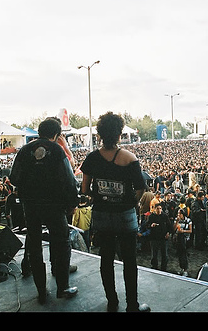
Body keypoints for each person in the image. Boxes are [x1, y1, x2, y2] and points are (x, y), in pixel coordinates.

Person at [80, 111, 150, 312]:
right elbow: (140, 188)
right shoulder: (129, 158)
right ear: (119, 134)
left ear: (99, 134)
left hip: (101, 214)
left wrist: (100, 194)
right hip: (125, 215)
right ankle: (132, 306)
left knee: (106, 258)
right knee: (129, 260)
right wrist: (130, 202)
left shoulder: (92, 158)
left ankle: (112, 301)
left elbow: (84, 189)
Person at [10, 117, 79, 304]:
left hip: (30, 205)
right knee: (61, 243)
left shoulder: (24, 150)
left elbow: (14, 178)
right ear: (56, 135)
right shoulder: (57, 150)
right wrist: (73, 202)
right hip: (54, 206)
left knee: (34, 244)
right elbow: (69, 180)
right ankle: (62, 287)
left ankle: (41, 291)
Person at [147, 204, 171, 271]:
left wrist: (168, 233)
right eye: (157, 208)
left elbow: (169, 226)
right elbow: (147, 225)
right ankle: (154, 266)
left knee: (164, 254)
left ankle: (164, 267)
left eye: (160, 208)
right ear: (155, 209)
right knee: (154, 254)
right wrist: (151, 225)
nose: (159, 210)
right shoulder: (151, 216)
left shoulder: (165, 216)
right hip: (154, 237)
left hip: (163, 238)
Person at [174, 208, 192, 277]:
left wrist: (183, 231)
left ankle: (185, 270)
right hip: (178, 238)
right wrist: (176, 222)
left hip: (185, 239)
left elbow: (190, 231)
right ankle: (181, 268)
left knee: (184, 255)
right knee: (179, 254)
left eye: (180, 214)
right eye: (178, 214)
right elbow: (173, 229)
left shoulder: (188, 220)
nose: (179, 215)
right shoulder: (177, 220)